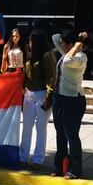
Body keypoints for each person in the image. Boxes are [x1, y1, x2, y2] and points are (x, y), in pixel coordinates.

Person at [51, 29, 89, 179]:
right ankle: (59, 166)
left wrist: (76, 47)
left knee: (72, 135)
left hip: (73, 100)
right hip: (59, 98)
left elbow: (67, 61)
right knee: (60, 133)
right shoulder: (65, 52)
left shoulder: (81, 57)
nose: (62, 46)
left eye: (65, 44)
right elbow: (54, 37)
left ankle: (75, 169)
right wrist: (79, 37)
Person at [20, 30, 57, 169]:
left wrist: (49, 97)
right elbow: (25, 74)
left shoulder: (47, 56)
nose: (29, 43)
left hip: (42, 94)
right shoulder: (30, 55)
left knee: (41, 128)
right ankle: (22, 156)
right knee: (26, 127)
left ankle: (38, 159)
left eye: (31, 41)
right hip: (29, 94)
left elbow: (52, 78)